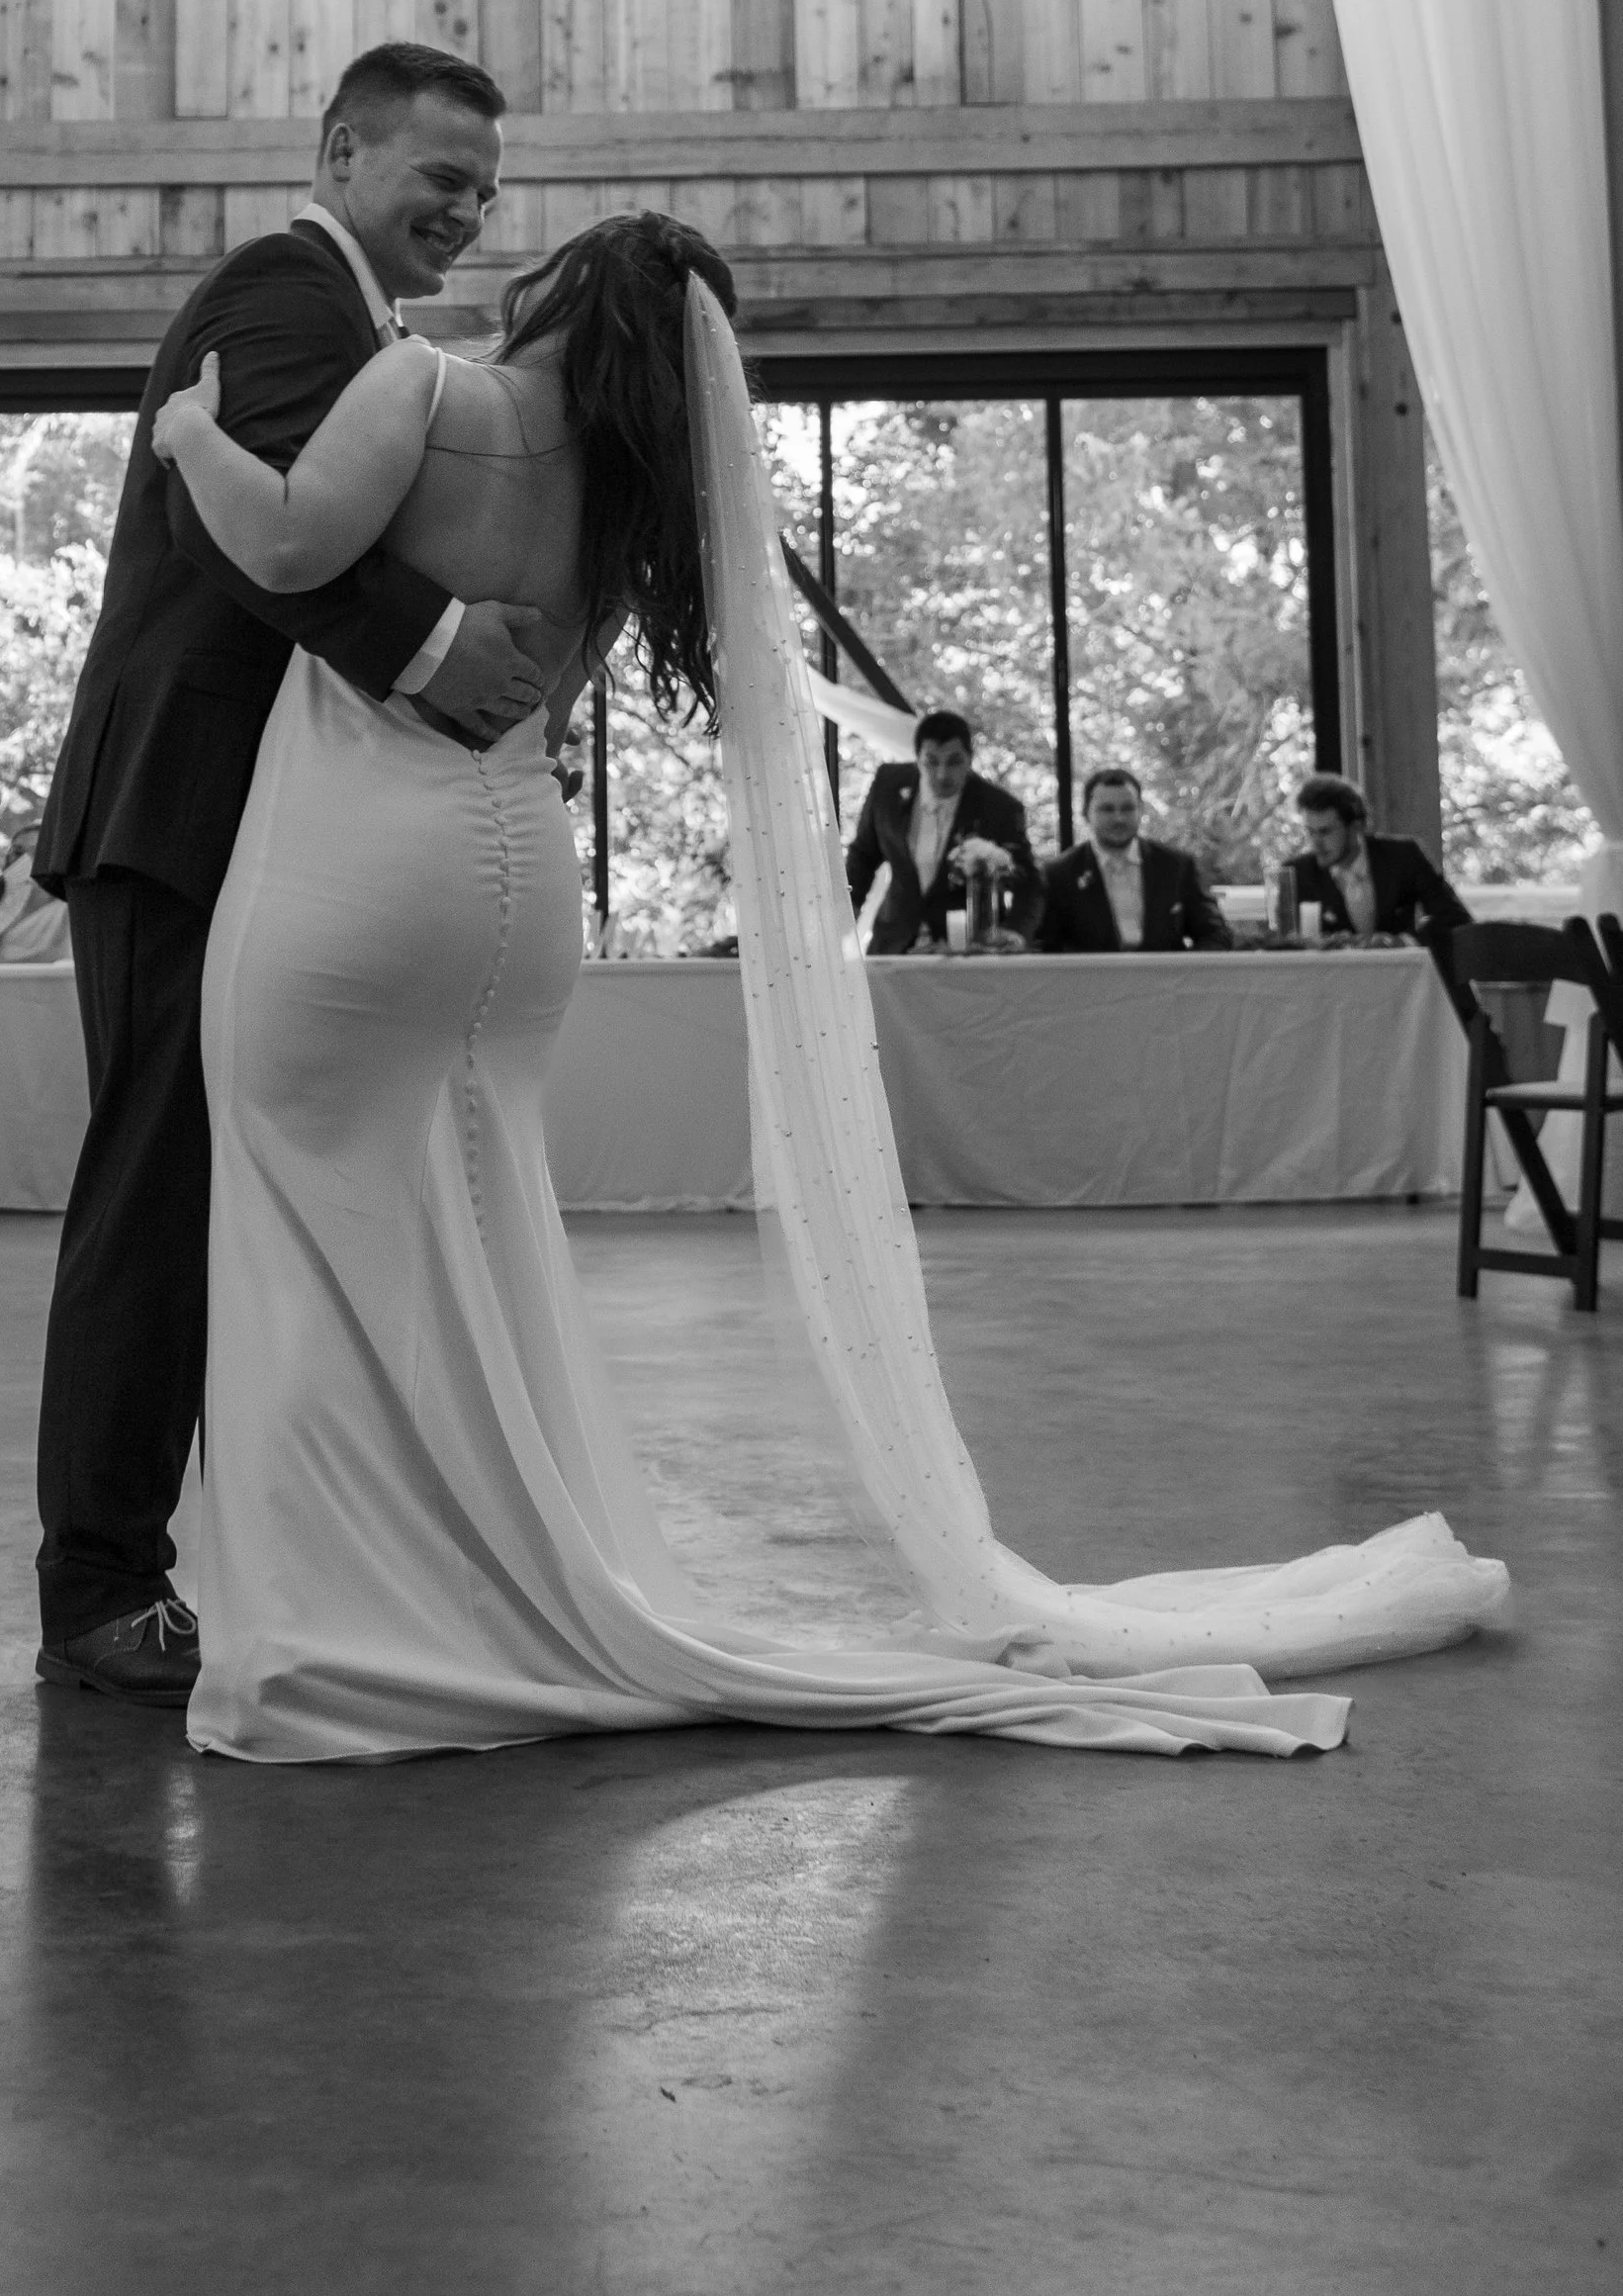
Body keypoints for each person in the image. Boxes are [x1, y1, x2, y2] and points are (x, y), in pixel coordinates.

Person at [140, 205, 1506, 1766]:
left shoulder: (429, 388)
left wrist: (189, 431)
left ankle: (353, 1615)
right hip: (511, 876)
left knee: (308, 1228)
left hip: (360, 863)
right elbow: (536, 685)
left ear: (563, 292)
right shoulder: (631, 498)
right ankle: (484, 1579)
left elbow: (293, 545)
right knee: (475, 1228)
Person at [31, 42, 550, 1709]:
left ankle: (282, 1553)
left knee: (231, 1198)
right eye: (439, 173)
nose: (465, 208)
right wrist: (435, 648)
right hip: (173, 810)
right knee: (157, 1195)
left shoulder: (375, 331)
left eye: (486, 185)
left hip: (259, 826)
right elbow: (242, 535)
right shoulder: (281, 291)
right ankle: (98, 1589)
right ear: (341, 149)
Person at [844, 710, 1043, 952]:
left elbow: (1029, 883)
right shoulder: (888, 784)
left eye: (954, 761)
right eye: (931, 761)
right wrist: (842, 918)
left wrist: (1015, 932)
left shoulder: (999, 808)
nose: (942, 774)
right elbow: (863, 857)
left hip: (968, 949)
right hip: (894, 941)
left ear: (970, 758)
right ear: (917, 758)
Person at [1036, 765, 1232, 953]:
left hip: (1166, 983)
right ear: (1086, 813)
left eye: (1127, 808)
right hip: (1090, 985)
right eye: (1107, 809)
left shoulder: (1176, 866)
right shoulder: (1058, 874)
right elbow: (1045, 946)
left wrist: (1188, 974)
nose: (1118, 818)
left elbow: (1215, 934)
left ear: (1141, 810)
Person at [1283, 774, 1465, 949]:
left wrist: (1401, 943)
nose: (1316, 843)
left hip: (1401, 975)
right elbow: (1282, 941)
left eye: (1325, 832)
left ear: (1356, 827)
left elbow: (1454, 918)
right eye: (1309, 832)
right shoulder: (1297, 872)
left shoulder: (1403, 856)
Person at [0, 815, 69, 965]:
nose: (26, 860)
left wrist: (5, 969)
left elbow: (66, 955)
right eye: (17, 852)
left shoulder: (67, 904)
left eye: (36, 853)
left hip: (45, 983)